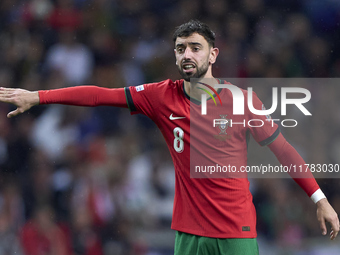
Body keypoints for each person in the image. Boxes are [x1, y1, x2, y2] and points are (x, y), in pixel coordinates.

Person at [0, 20, 339, 255]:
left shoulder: (242, 101)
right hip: (188, 234)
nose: (187, 54)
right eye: (180, 49)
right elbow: (100, 95)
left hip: (235, 231)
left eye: (195, 47)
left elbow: (283, 150)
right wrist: (38, 96)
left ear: (213, 54)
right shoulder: (161, 96)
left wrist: (319, 199)